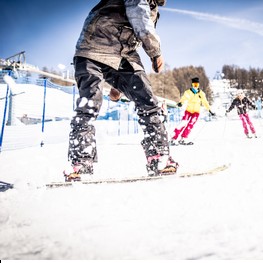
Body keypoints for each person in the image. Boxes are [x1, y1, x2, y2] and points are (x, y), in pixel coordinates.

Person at [64, 0, 178, 181]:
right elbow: (138, 15)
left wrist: (118, 85)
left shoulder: (155, 6)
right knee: (89, 104)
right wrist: (155, 52)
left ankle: (158, 157)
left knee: (148, 101)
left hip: (122, 56)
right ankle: (80, 163)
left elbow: (127, 34)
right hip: (94, 49)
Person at [170, 77, 215, 145]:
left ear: (198, 85)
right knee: (183, 123)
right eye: (194, 85)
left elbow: (205, 102)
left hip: (196, 112)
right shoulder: (188, 92)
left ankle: (183, 138)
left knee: (190, 125)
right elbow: (184, 98)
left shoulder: (201, 93)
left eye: (197, 85)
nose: (195, 86)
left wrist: (209, 110)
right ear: (192, 85)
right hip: (188, 111)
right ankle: (173, 138)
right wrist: (181, 103)